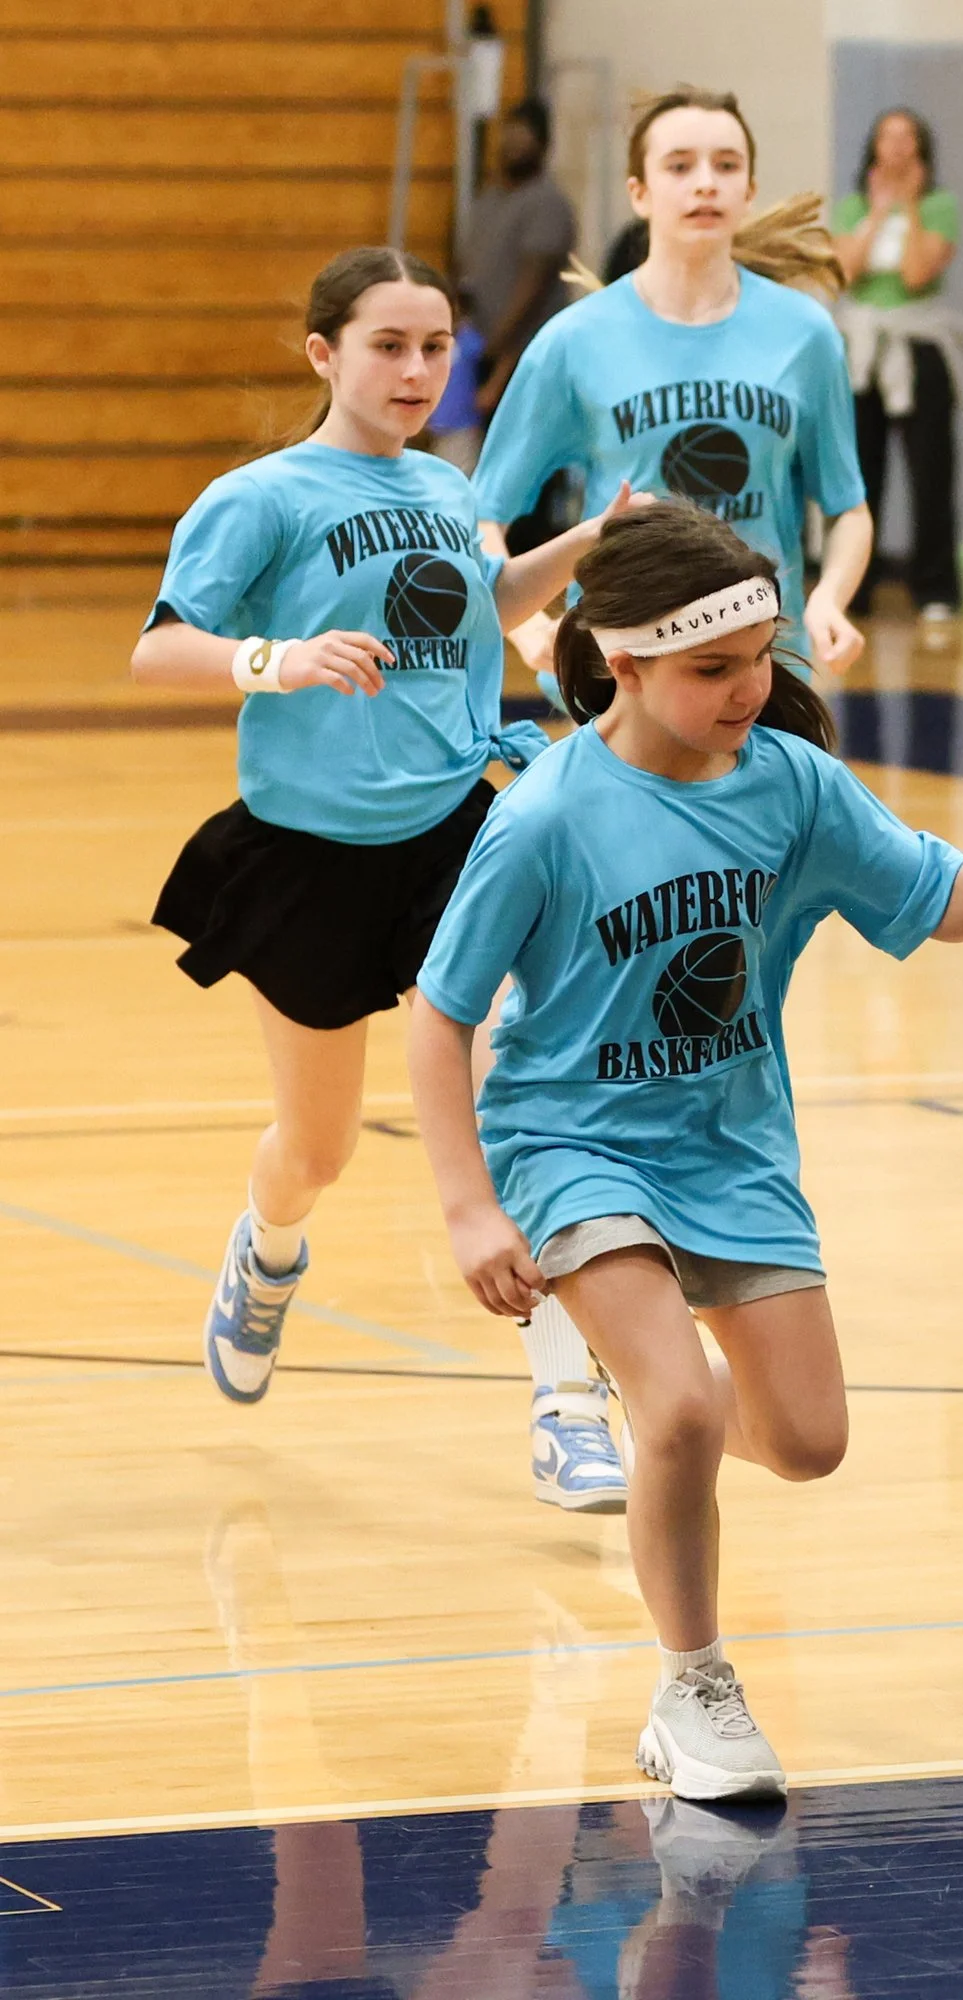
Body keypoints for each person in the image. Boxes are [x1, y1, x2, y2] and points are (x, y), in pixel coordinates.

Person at [407, 501, 963, 1800]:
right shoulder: (548, 813)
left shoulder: (791, 784)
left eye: (760, 659)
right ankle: (692, 1689)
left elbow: (939, 902)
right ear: (621, 664)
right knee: (682, 1409)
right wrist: (467, 1206)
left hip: (731, 1146)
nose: (750, 689)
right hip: (570, 1137)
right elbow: (440, 1013)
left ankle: (645, 1392)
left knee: (806, 1439)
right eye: (713, 668)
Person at [131, 246, 638, 1508]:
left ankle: (568, 1401)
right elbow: (160, 650)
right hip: (307, 854)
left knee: (513, 1104)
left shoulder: (444, 485)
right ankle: (270, 1247)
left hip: (453, 837)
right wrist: (280, 659)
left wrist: (587, 540)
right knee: (319, 1145)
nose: (417, 370)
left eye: (436, 348)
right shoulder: (263, 496)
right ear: (325, 353)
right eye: (389, 346)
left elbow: (478, 609)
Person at [474, 87, 872, 687]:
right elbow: (482, 515)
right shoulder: (575, 339)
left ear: (749, 190)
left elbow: (848, 508)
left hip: (762, 663)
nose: (705, 183)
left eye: (726, 165)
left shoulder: (805, 334)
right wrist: (527, 625)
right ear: (639, 192)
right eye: (680, 166)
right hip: (620, 669)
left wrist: (830, 600)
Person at [829, 107, 963, 630]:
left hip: (918, 343)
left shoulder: (938, 206)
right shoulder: (852, 207)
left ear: (922, 148)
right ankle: (855, 585)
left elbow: (915, 274)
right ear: (873, 147)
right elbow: (845, 271)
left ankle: (935, 588)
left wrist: (908, 206)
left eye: (908, 137)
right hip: (862, 349)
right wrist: (879, 211)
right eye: (887, 136)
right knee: (860, 471)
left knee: (931, 471)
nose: (897, 147)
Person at [464, 98, 577, 419]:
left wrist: (496, 345)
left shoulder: (547, 203)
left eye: (523, 137)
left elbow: (533, 286)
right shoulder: (488, 200)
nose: (513, 144)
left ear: (542, 145)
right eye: (509, 134)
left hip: (527, 356)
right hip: (481, 353)